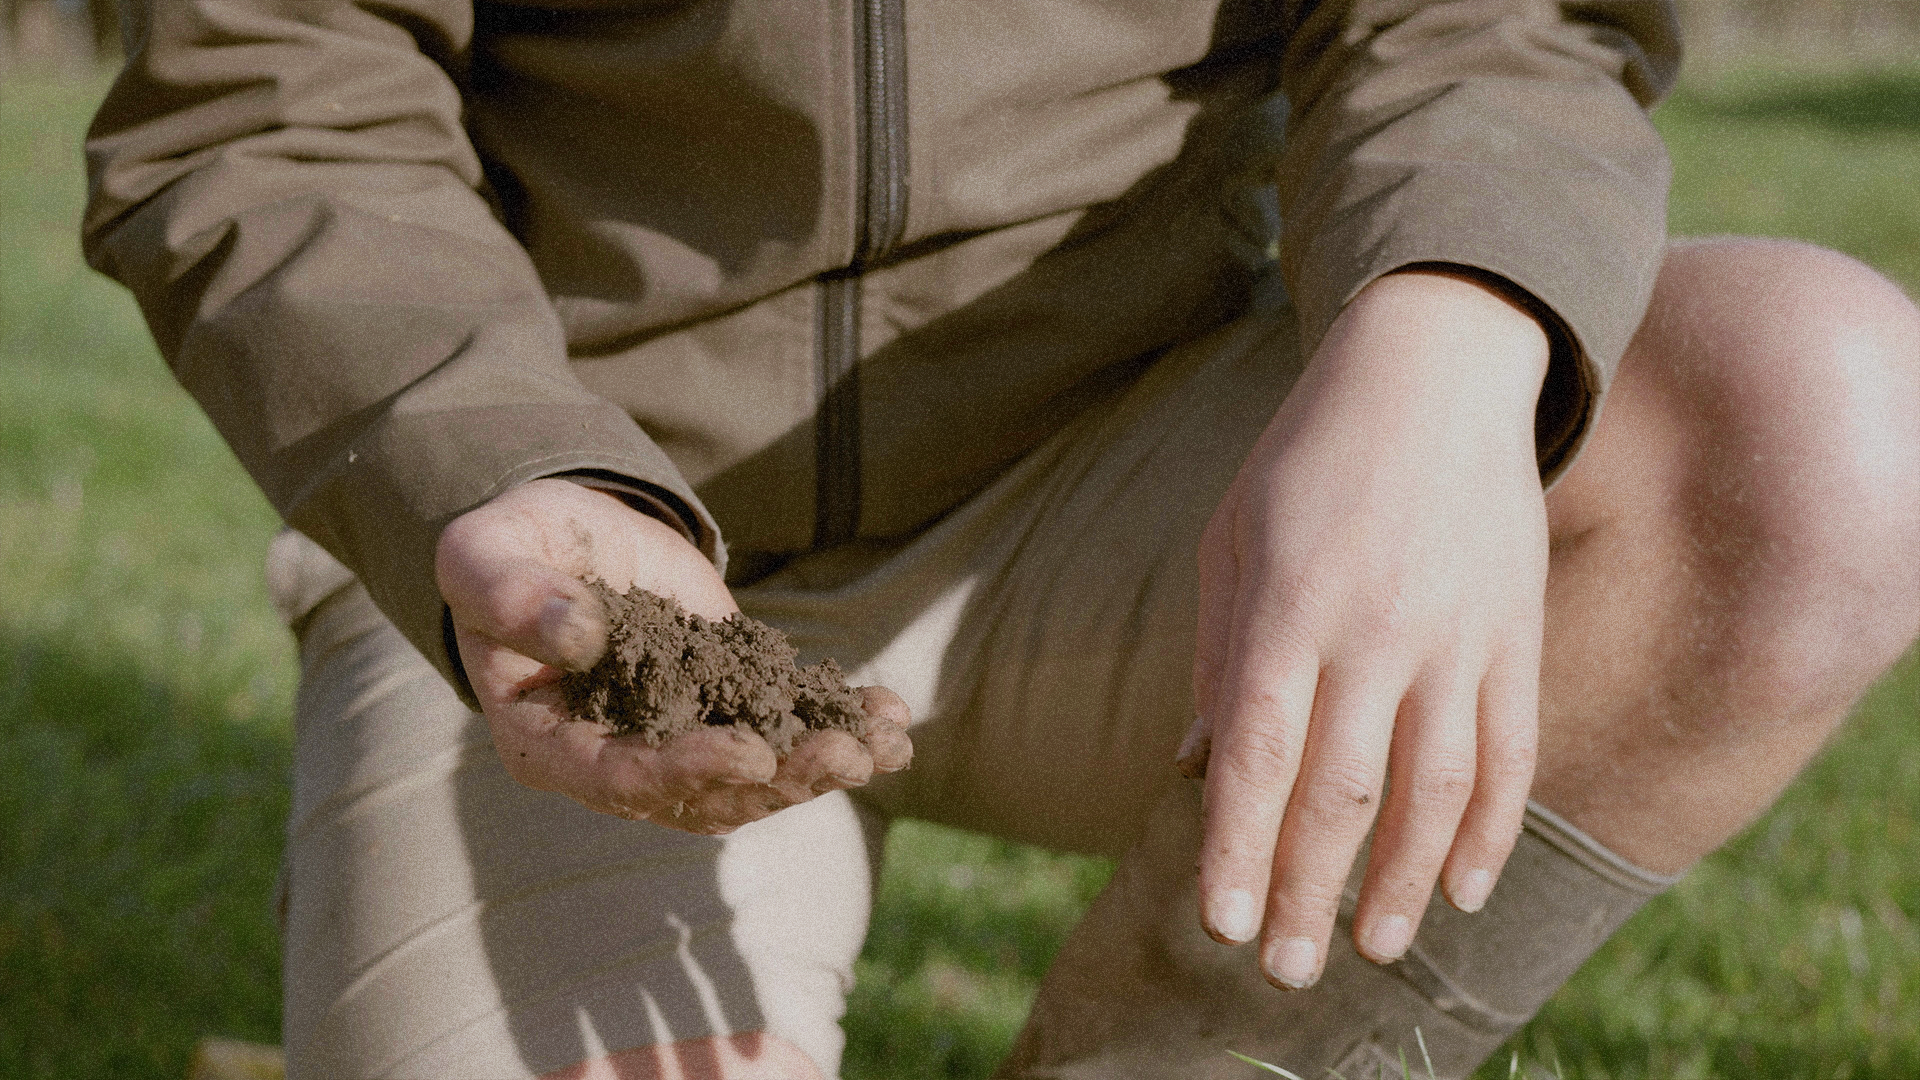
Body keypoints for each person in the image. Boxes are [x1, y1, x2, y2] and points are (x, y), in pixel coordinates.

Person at [83, 0, 1919, 1077]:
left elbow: (1493, 17)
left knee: (1824, 421)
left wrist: (1448, 327)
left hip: (1128, 484)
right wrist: (491, 471)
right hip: (575, 577)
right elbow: (269, 94)